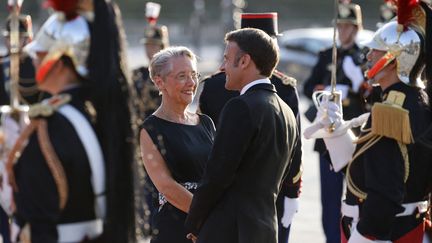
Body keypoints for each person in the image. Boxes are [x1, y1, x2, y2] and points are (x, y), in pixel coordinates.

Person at [185, 28, 299, 243]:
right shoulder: (286, 111)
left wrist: (194, 221)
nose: (222, 66)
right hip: (264, 229)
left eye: (227, 59)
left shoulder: (241, 107)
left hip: (230, 230)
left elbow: (218, 172)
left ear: (244, 61)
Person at [6, 7, 107, 242]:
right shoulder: (96, 111)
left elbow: (35, 211)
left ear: (60, 63)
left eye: (40, 53)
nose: (33, 58)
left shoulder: (52, 126)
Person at [337, 1, 432, 242]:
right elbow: (372, 162)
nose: (368, 56)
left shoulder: (393, 111)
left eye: (376, 51)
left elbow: (386, 189)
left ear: (394, 58)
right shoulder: (412, 99)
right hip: (405, 225)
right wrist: (335, 133)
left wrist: (364, 235)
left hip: (385, 231)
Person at [302, 3, 367, 243]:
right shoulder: (326, 55)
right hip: (329, 138)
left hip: (355, 137)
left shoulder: (364, 57)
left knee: (356, 198)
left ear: (356, 28)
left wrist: (356, 82)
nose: (343, 31)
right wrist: (323, 90)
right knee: (329, 201)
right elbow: (308, 87)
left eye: (348, 26)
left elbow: (370, 96)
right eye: (340, 26)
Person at [139, 46, 215, 243]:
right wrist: (204, 219)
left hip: (212, 223)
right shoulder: (150, 129)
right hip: (176, 228)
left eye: (193, 74)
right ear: (160, 82)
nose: (191, 83)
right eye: (182, 76)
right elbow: (166, 186)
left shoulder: (206, 122)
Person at [133, 2, 170, 120]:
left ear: (162, 47)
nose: (149, 49)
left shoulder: (171, 73)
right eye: (147, 45)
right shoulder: (138, 73)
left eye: (154, 45)